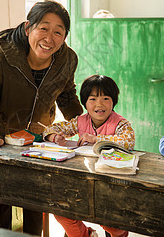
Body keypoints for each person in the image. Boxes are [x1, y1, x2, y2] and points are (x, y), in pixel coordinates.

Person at [0, 0, 83, 235]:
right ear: (27, 27)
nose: (49, 38)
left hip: (39, 138)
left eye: (58, 32)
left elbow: (67, 94)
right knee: (2, 197)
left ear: (64, 37)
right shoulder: (0, 57)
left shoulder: (67, 59)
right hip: (2, 138)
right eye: (43, 28)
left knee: (37, 196)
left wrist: (87, 124)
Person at [42, 74, 135, 237]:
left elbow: (128, 141)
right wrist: (54, 137)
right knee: (61, 212)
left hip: (111, 186)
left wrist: (96, 139)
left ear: (113, 101)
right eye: (92, 99)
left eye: (106, 98)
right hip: (81, 182)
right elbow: (50, 129)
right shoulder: (80, 121)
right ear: (84, 103)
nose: (99, 104)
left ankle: (119, 234)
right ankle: (86, 234)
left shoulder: (120, 123)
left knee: (109, 220)